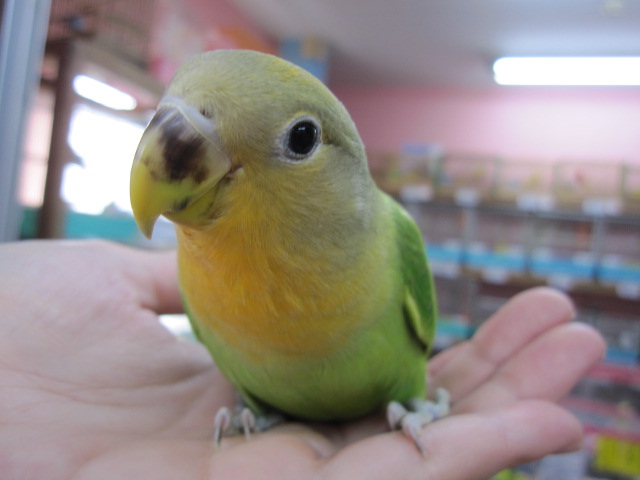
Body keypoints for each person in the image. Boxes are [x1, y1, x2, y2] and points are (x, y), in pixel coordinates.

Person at [0, 240, 605, 480]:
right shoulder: (197, 269)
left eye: (299, 140)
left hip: (395, 391)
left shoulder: (393, 238)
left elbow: (417, 343)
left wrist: (419, 403)